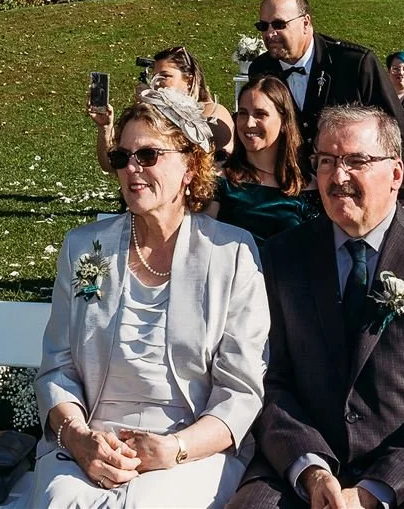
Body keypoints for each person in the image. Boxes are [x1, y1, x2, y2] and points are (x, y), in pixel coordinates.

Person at [229, 105, 404, 509]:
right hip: (307, 465)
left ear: (395, 173)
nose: (338, 177)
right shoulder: (284, 257)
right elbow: (269, 380)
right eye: (326, 161)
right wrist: (310, 468)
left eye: (356, 161)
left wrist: (377, 487)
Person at [27, 91, 267, 509]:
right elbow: (58, 367)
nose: (132, 170)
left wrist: (174, 449)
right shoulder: (85, 247)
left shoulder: (231, 253)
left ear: (191, 167)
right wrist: (80, 439)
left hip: (190, 449)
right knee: (63, 503)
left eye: (149, 155)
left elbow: (241, 392)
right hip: (92, 441)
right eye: (123, 158)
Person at [242, 0, 404, 162]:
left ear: (306, 23)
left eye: (279, 24)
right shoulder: (260, 69)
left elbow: (394, 131)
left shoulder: (354, 64)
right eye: (263, 26)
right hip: (288, 182)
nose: (269, 33)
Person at [92, 48, 232, 175]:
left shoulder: (213, 111)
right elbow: (110, 165)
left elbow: (200, 149)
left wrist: (163, 107)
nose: (157, 82)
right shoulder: (152, 113)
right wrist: (105, 127)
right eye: (154, 77)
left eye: (165, 76)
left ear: (189, 79)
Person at [208, 77, 307, 242]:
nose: (249, 123)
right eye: (243, 113)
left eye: (260, 114)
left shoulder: (307, 184)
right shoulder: (219, 180)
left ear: (284, 121)